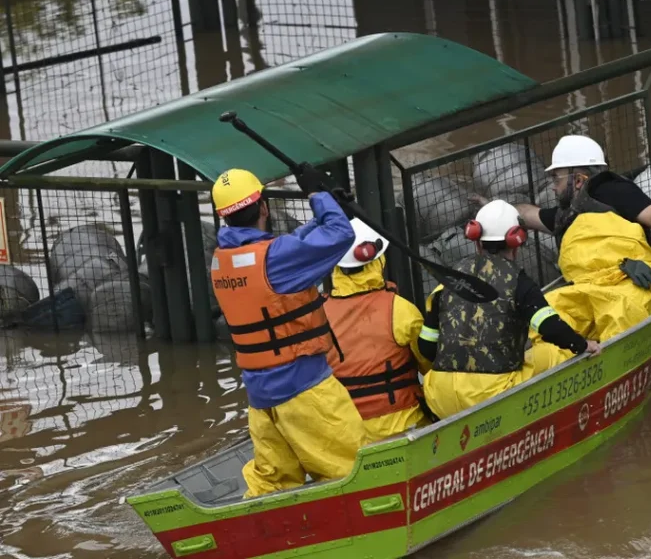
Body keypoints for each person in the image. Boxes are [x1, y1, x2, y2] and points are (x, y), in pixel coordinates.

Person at [210, 165, 365, 499]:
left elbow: (292, 245)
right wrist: (317, 196)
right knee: (355, 472)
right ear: (264, 207)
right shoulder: (276, 260)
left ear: (224, 217)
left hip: (261, 402)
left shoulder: (221, 261)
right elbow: (340, 235)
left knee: (270, 486)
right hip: (306, 393)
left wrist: (327, 210)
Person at [476, 135, 651, 345]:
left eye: (557, 179)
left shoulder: (615, 191)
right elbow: (528, 214)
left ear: (578, 180)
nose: (553, 188)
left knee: (623, 312)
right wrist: (495, 211)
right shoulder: (564, 216)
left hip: (628, 280)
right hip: (584, 289)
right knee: (543, 317)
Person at [418, 200, 600, 419]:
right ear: (517, 241)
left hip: (440, 396)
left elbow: (426, 348)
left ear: (476, 241)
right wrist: (583, 344)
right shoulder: (519, 283)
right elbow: (551, 329)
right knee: (553, 352)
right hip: (490, 397)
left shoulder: (449, 281)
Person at [324, 218, 433, 444]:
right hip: (403, 425)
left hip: (345, 434)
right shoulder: (400, 310)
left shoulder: (318, 315)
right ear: (378, 261)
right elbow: (430, 364)